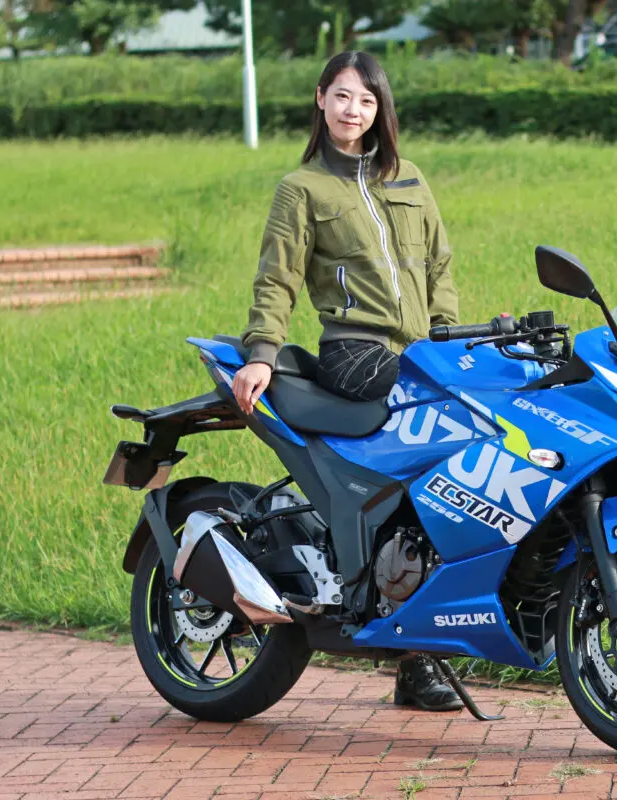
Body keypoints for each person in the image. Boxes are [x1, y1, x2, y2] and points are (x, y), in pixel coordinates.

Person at [230, 50, 464, 713]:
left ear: (380, 108)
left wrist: (451, 342)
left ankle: (421, 636)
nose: (352, 110)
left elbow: (439, 266)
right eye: (341, 96)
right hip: (356, 352)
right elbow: (277, 276)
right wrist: (262, 352)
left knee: (451, 474)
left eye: (365, 99)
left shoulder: (410, 178)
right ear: (320, 99)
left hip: (423, 353)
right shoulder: (302, 188)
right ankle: (412, 653)